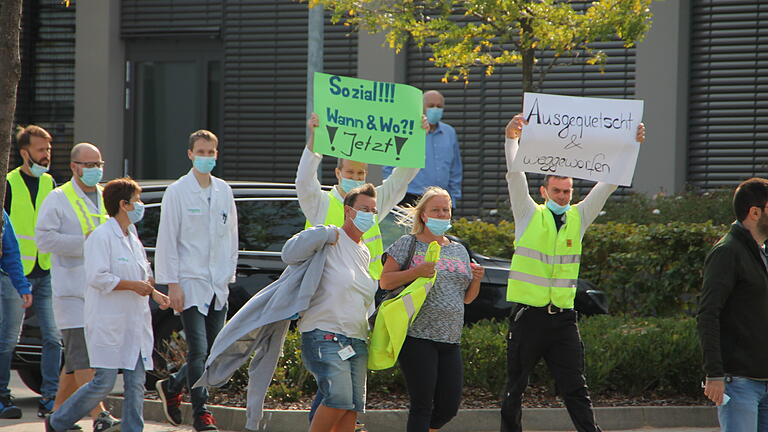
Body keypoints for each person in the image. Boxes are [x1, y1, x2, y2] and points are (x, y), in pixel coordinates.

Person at [500, 114, 645, 432]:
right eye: (557, 191)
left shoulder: (579, 217)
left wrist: (630, 146)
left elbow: (608, 184)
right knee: (515, 389)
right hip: (529, 317)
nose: (563, 197)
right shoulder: (527, 215)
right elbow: (515, 176)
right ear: (543, 191)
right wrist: (512, 139)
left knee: (575, 388)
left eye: (567, 191)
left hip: (563, 319)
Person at [45, 177, 171, 432]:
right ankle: (58, 421)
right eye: (137, 201)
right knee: (103, 382)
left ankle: (133, 429)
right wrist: (133, 286)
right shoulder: (101, 236)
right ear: (124, 205)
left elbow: (142, 273)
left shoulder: (132, 236)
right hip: (108, 321)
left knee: (136, 380)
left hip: (134, 320)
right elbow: (97, 277)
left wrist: (154, 291)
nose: (140, 205)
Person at [379, 186, 483, 432]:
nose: (441, 214)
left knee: (449, 408)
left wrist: (477, 278)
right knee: (422, 404)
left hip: (450, 338)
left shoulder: (458, 248)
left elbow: (468, 298)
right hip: (417, 336)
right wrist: (416, 272)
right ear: (423, 215)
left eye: (445, 210)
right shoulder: (408, 243)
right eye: (435, 210)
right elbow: (385, 281)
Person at [155, 130, 238, 432]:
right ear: (190, 154)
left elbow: (232, 238)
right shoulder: (177, 192)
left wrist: (228, 277)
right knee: (198, 351)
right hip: (189, 282)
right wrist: (172, 284)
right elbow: (167, 240)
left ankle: (174, 385)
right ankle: (202, 413)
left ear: (217, 155)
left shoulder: (224, 191)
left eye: (211, 152)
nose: (206, 157)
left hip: (217, 285)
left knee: (214, 352)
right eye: (200, 152)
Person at [36, 143, 120, 431]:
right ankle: (100, 414)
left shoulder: (104, 196)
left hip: (98, 290)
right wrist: (84, 241)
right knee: (83, 355)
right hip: (71, 291)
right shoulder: (58, 198)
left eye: (99, 164)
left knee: (74, 360)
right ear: (74, 167)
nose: (95, 170)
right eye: (89, 164)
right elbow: (44, 240)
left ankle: (59, 413)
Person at [297, 113, 424, 281]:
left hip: (365, 290)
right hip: (327, 288)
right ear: (338, 173)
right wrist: (315, 138)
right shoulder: (321, 203)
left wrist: (418, 136)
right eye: (350, 172)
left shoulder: (374, 201)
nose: (355, 178)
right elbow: (304, 180)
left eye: (360, 173)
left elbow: (401, 179)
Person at [299, 183, 379, 432]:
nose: (369, 214)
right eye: (364, 209)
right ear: (348, 211)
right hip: (324, 334)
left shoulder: (365, 251)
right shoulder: (330, 237)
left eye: (373, 210)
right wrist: (320, 234)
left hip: (356, 339)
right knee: (338, 399)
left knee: (352, 406)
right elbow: (290, 253)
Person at [698, 177, 768, 431]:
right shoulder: (727, 252)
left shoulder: (761, 252)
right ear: (755, 212)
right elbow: (708, 314)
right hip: (739, 384)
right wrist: (714, 373)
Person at [0, 125, 60, 419]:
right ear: (25, 153)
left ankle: (50, 397)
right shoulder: (8, 183)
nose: (46, 155)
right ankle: (2, 395)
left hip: (46, 270)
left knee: (53, 337)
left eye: (48, 149)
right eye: (41, 149)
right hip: (13, 273)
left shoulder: (51, 184)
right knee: (8, 338)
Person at [382, 90, 462, 207]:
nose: (435, 109)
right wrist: (392, 194)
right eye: (431, 106)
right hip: (409, 196)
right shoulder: (408, 131)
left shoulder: (449, 132)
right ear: (421, 107)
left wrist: (454, 197)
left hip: (441, 197)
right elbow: (390, 164)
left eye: (439, 106)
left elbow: (455, 168)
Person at [0, 210, 33, 419]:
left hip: (6, 279)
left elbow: (11, 250)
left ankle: (2, 395)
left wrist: (21, 285)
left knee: (8, 341)